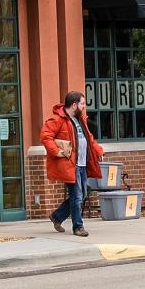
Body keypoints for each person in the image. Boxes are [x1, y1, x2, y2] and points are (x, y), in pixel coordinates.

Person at [41, 90, 103, 237]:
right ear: (74, 105)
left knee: (84, 192)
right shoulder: (58, 120)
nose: (84, 106)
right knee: (77, 195)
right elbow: (45, 136)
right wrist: (56, 151)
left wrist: (98, 151)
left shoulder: (80, 120)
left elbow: (90, 138)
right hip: (70, 165)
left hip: (82, 164)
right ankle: (78, 227)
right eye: (82, 103)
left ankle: (57, 216)